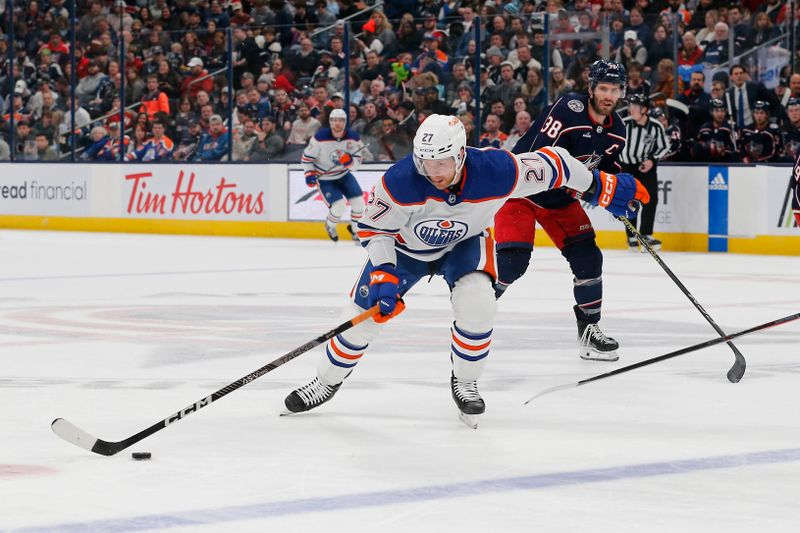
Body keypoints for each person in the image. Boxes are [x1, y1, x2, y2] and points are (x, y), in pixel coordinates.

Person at [283, 114, 649, 427]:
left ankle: (466, 381)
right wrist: (382, 273)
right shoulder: (400, 180)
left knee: (479, 305)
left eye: (442, 162)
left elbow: (559, 165)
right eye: (426, 162)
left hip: (464, 244)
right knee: (362, 318)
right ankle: (325, 382)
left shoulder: (496, 170)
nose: (433, 172)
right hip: (405, 251)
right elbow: (375, 230)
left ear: (460, 155)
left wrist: (602, 186)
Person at [493, 60, 629, 362]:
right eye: (603, 88)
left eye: (615, 89)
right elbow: (542, 161)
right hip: (522, 191)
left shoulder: (617, 130)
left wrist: (618, 193)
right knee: (512, 265)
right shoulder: (569, 109)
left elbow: (606, 171)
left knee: (589, 258)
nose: (609, 95)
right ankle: (475, 310)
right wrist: (593, 189)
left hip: (559, 200)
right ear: (591, 88)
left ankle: (589, 332)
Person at [301, 108, 367, 243]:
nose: (337, 123)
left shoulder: (353, 137)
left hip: (344, 176)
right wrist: (309, 174)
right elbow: (307, 158)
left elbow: (356, 165)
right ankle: (330, 226)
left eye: (341, 121)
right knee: (339, 207)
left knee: (360, 205)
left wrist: (349, 162)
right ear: (330, 122)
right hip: (325, 179)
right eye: (334, 120)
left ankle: (355, 231)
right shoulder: (320, 137)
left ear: (345, 122)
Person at [619, 94, 671, 251]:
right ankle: (631, 235)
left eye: (635, 106)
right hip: (626, 167)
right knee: (630, 201)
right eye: (630, 105)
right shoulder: (623, 124)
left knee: (651, 199)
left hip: (645, 167)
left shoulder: (655, 126)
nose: (631, 109)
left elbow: (664, 146)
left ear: (645, 109)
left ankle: (646, 234)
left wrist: (652, 160)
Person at [692, 98, 738, 163]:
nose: (720, 114)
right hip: (707, 164)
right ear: (711, 112)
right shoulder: (704, 128)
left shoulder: (731, 127)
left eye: (722, 111)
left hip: (727, 164)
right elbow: (698, 148)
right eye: (716, 111)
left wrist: (724, 151)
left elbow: (736, 149)